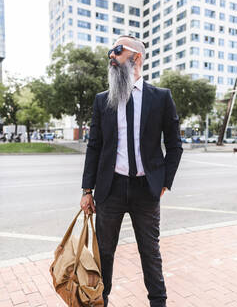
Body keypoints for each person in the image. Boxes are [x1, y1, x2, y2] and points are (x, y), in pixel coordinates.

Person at [80, 35, 183, 307]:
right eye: (110, 51)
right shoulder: (103, 100)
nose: (110, 57)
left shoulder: (161, 98)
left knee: (150, 252)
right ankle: (100, 301)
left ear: (136, 58)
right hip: (110, 189)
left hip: (145, 190)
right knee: (105, 254)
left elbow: (174, 146)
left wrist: (165, 182)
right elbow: (95, 146)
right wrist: (87, 190)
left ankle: (158, 303)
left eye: (117, 51)